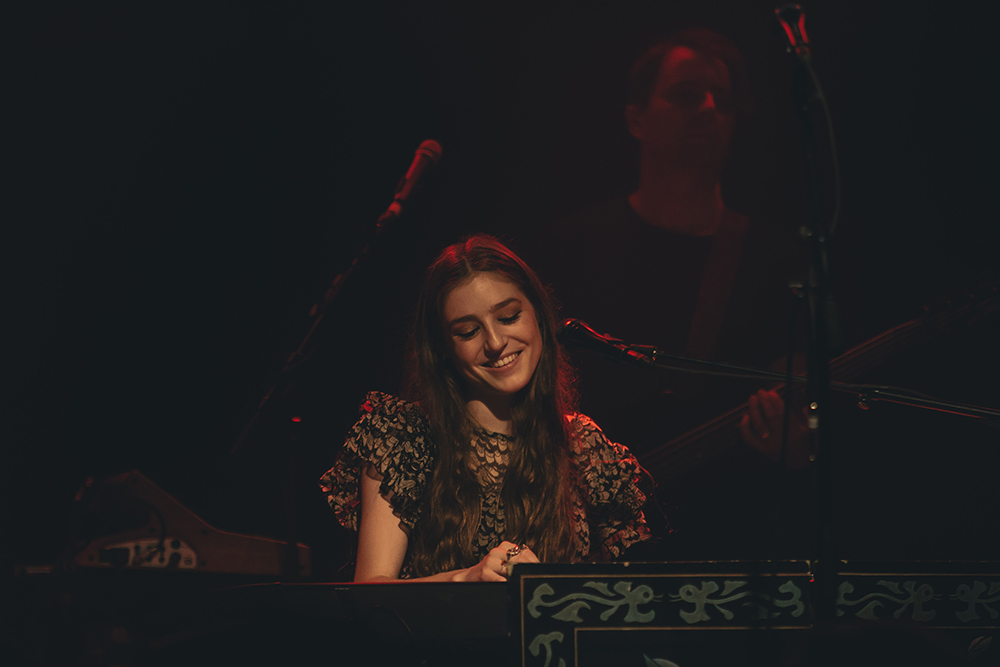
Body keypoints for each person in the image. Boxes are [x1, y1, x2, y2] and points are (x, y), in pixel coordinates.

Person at [523, 29, 812, 559]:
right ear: (636, 119)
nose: (707, 107)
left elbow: (812, 410)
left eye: (721, 100)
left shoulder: (778, 259)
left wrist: (801, 445)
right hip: (590, 550)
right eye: (685, 94)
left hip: (735, 547)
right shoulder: (570, 249)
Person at [319, 235, 650, 581]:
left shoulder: (582, 446)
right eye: (468, 331)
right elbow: (369, 592)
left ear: (537, 313)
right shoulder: (404, 436)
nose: (494, 343)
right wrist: (468, 579)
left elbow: (634, 593)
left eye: (508, 317)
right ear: (443, 347)